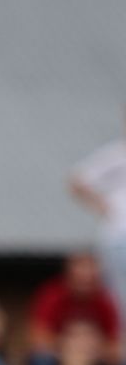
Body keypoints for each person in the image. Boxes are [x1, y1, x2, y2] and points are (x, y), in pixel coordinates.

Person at [68, 117, 126, 317]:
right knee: (119, 297)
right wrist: (101, 206)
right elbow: (76, 181)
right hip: (118, 238)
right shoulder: (116, 154)